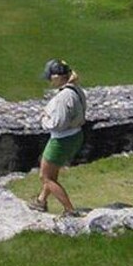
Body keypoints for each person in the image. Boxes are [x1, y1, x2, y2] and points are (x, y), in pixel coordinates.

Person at [27, 59, 87, 217]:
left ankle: (69, 210)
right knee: (52, 173)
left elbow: (57, 124)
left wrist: (44, 119)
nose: (48, 81)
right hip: (75, 135)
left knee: (45, 177)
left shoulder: (62, 97)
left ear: (57, 77)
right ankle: (41, 200)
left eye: (50, 77)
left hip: (61, 139)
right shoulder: (76, 89)